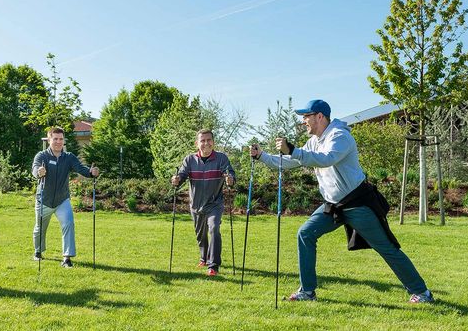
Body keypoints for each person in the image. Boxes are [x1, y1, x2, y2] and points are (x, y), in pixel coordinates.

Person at [250, 99, 434, 303]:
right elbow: (293, 161)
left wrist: (293, 149)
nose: (304, 122)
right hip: (333, 205)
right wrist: (262, 156)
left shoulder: (340, 136)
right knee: (305, 233)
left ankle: (422, 292)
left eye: (306, 117)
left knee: (386, 248)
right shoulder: (314, 141)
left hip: (358, 203)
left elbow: (326, 159)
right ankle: (307, 292)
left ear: (320, 116)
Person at [32, 127, 99, 268]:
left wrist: (91, 172)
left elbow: (81, 169)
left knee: (68, 223)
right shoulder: (42, 156)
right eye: (55, 139)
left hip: (62, 200)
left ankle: (67, 258)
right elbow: (35, 169)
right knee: (40, 228)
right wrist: (39, 171)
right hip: (44, 199)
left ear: (64, 140)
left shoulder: (69, 157)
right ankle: (38, 251)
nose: (58, 142)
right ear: (49, 139)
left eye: (61, 139)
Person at [171, 129, 235, 276]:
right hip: (196, 205)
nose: (206, 143)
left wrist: (230, 179)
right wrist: (176, 180)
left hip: (214, 204)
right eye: (202, 140)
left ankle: (213, 266)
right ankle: (203, 258)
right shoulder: (189, 160)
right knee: (200, 234)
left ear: (213, 142)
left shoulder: (221, 158)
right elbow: (181, 176)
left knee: (214, 229)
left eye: (209, 140)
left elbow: (230, 174)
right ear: (197, 143)